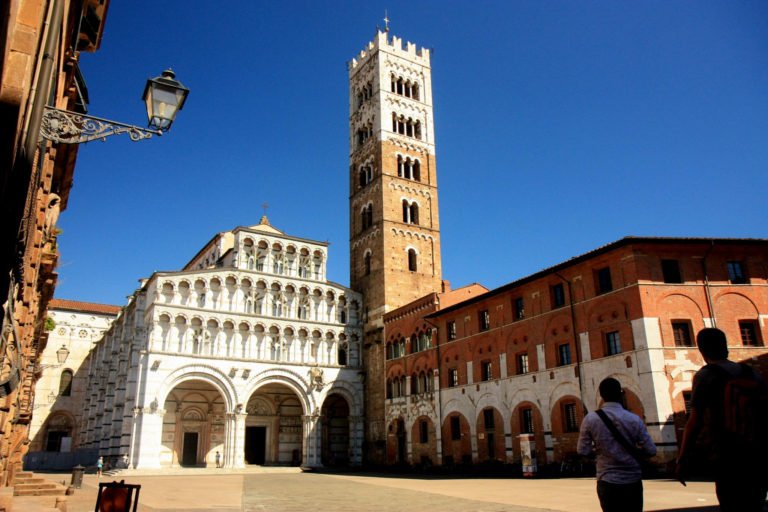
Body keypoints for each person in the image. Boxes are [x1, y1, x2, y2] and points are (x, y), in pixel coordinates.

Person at [676, 327, 768, 512]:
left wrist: (683, 458)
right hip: (757, 454)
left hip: (727, 454)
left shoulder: (706, 375)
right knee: (756, 504)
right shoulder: (750, 373)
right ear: (725, 347)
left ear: (701, 350)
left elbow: (695, 420)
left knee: (731, 504)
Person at [578, 377, 656, 512]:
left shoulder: (591, 419)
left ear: (601, 395)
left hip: (607, 480)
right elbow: (651, 450)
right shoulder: (634, 419)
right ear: (620, 394)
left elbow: (582, 450)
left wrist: (598, 456)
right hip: (632, 480)